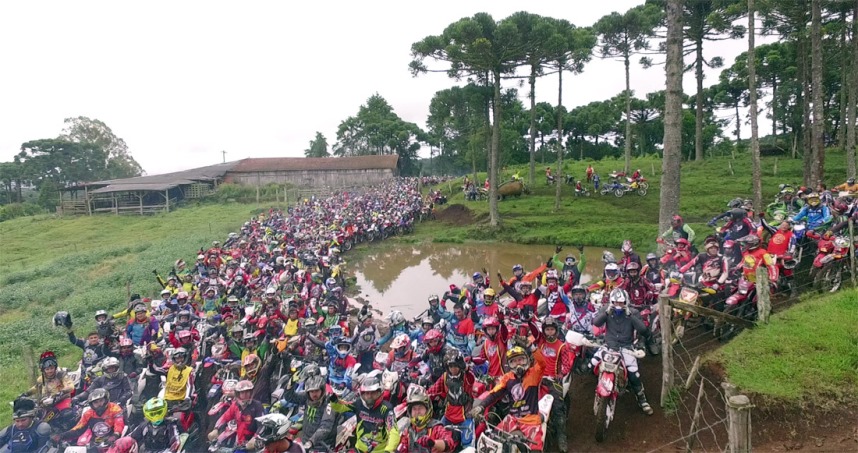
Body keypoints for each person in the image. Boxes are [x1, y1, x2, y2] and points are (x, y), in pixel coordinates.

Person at [469, 346, 548, 452]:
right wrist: (481, 406)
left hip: (531, 420)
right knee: (493, 439)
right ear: (509, 364)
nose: (518, 364)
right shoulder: (507, 378)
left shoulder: (533, 374)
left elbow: (542, 363)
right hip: (512, 418)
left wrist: (532, 348)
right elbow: (494, 394)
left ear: (526, 360)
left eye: (520, 359)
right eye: (514, 361)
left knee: (535, 449)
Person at [591, 289, 654, 415]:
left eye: (621, 303)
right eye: (615, 302)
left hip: (626, 347)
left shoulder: (634, 312)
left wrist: (630, 315)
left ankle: (642, 399)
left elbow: (643, 330)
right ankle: (599, 388)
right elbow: (596, 323)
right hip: (609, 345)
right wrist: (606, 313)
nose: (618, 305)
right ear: (611, 301)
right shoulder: (606, 310)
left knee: (633, 374)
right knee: (592, 364)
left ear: (626, 302)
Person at [530, 317, 573, 451]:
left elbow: (566, 364)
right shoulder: (540, 342)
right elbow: (534, 331)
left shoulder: (561, 346)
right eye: (547, 330)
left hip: (553, 380)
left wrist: (560, 374)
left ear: (556, 330)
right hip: (538, 378)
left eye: (551, 329)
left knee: (558, 408)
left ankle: (562, 439)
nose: (549, 332)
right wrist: (528, 319)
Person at [337, 376, 400, 453]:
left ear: (379, 392)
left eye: (373, 393)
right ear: (363, 394)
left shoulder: (386, 409)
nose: (369, 396)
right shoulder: (358, 403)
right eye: (367, 393)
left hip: (380, 451)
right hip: (359, 450)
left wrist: (388, 451)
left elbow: (394, 432)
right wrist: (332, 399)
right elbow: (340, 407)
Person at [273, 374, 336, 452]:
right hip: (306, 442)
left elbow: (325, 427)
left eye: (316, 391)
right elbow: (290, 397)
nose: (314, 394)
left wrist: (311, 442)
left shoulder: (329, 404)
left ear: (322, 390)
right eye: (311, 391)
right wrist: (290, 384)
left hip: (323, 446)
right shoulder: (306, 397)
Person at [427, 352, 476, 444]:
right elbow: (432, 390)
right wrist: (422, 396)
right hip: (448, 416)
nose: (453, 369)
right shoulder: (445, 376)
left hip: (465, 417)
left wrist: (466, 368)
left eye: (456, 366)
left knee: (468, 443)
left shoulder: (466, 376)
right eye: (451, 366)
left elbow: (472, 378)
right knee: (436, 437)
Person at [54, 388, 125, 445]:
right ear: (92, 404)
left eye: (101, 401)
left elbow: (119, 423)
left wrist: (115, 435)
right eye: (95, 402)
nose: (99, 404)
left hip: (114, 439)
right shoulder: (88, 413)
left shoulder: (115, 408)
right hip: (96, 442)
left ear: (106, 400)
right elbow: (79, 428)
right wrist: (62, 436)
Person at [396, 386, 457, 453]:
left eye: (420, 408)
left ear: (427, 409)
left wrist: (434, 443)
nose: (417, 412)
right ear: (410, 411)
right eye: (414, 409)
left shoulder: (435, 427)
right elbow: (403, 444)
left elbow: (450, 443)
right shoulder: (410, 429)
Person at [208, 380, 265, 448]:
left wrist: (255, 438)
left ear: (251, 392)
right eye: (242, 392)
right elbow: (225, 417)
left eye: (247, 391)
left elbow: (262, 425)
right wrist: (216, 429)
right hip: (240, 444)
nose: (245, 394)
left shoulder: (257, 405)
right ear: (238, 394)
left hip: (254, 445)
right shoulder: (235, 405)